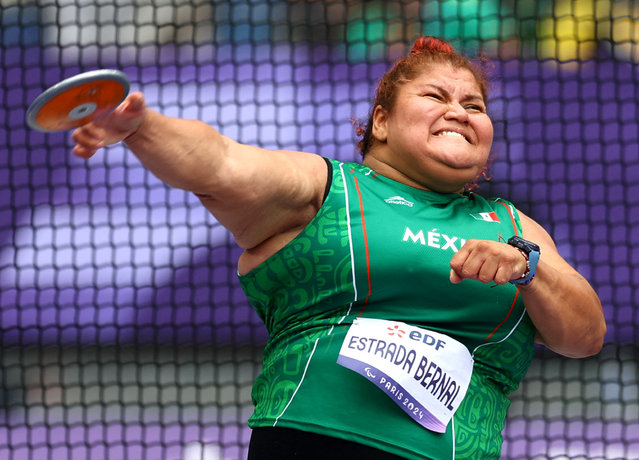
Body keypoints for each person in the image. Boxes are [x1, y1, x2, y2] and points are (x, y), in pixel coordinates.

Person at [71, 36, 606, 459]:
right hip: (311, 441)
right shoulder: (327, 188)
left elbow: (585, 337)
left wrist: (528, 266)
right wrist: (141, 127)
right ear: (381, 122)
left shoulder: (513, 225)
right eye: (436, 97)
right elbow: (219, 163)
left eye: (475, 104)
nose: (461, 112)